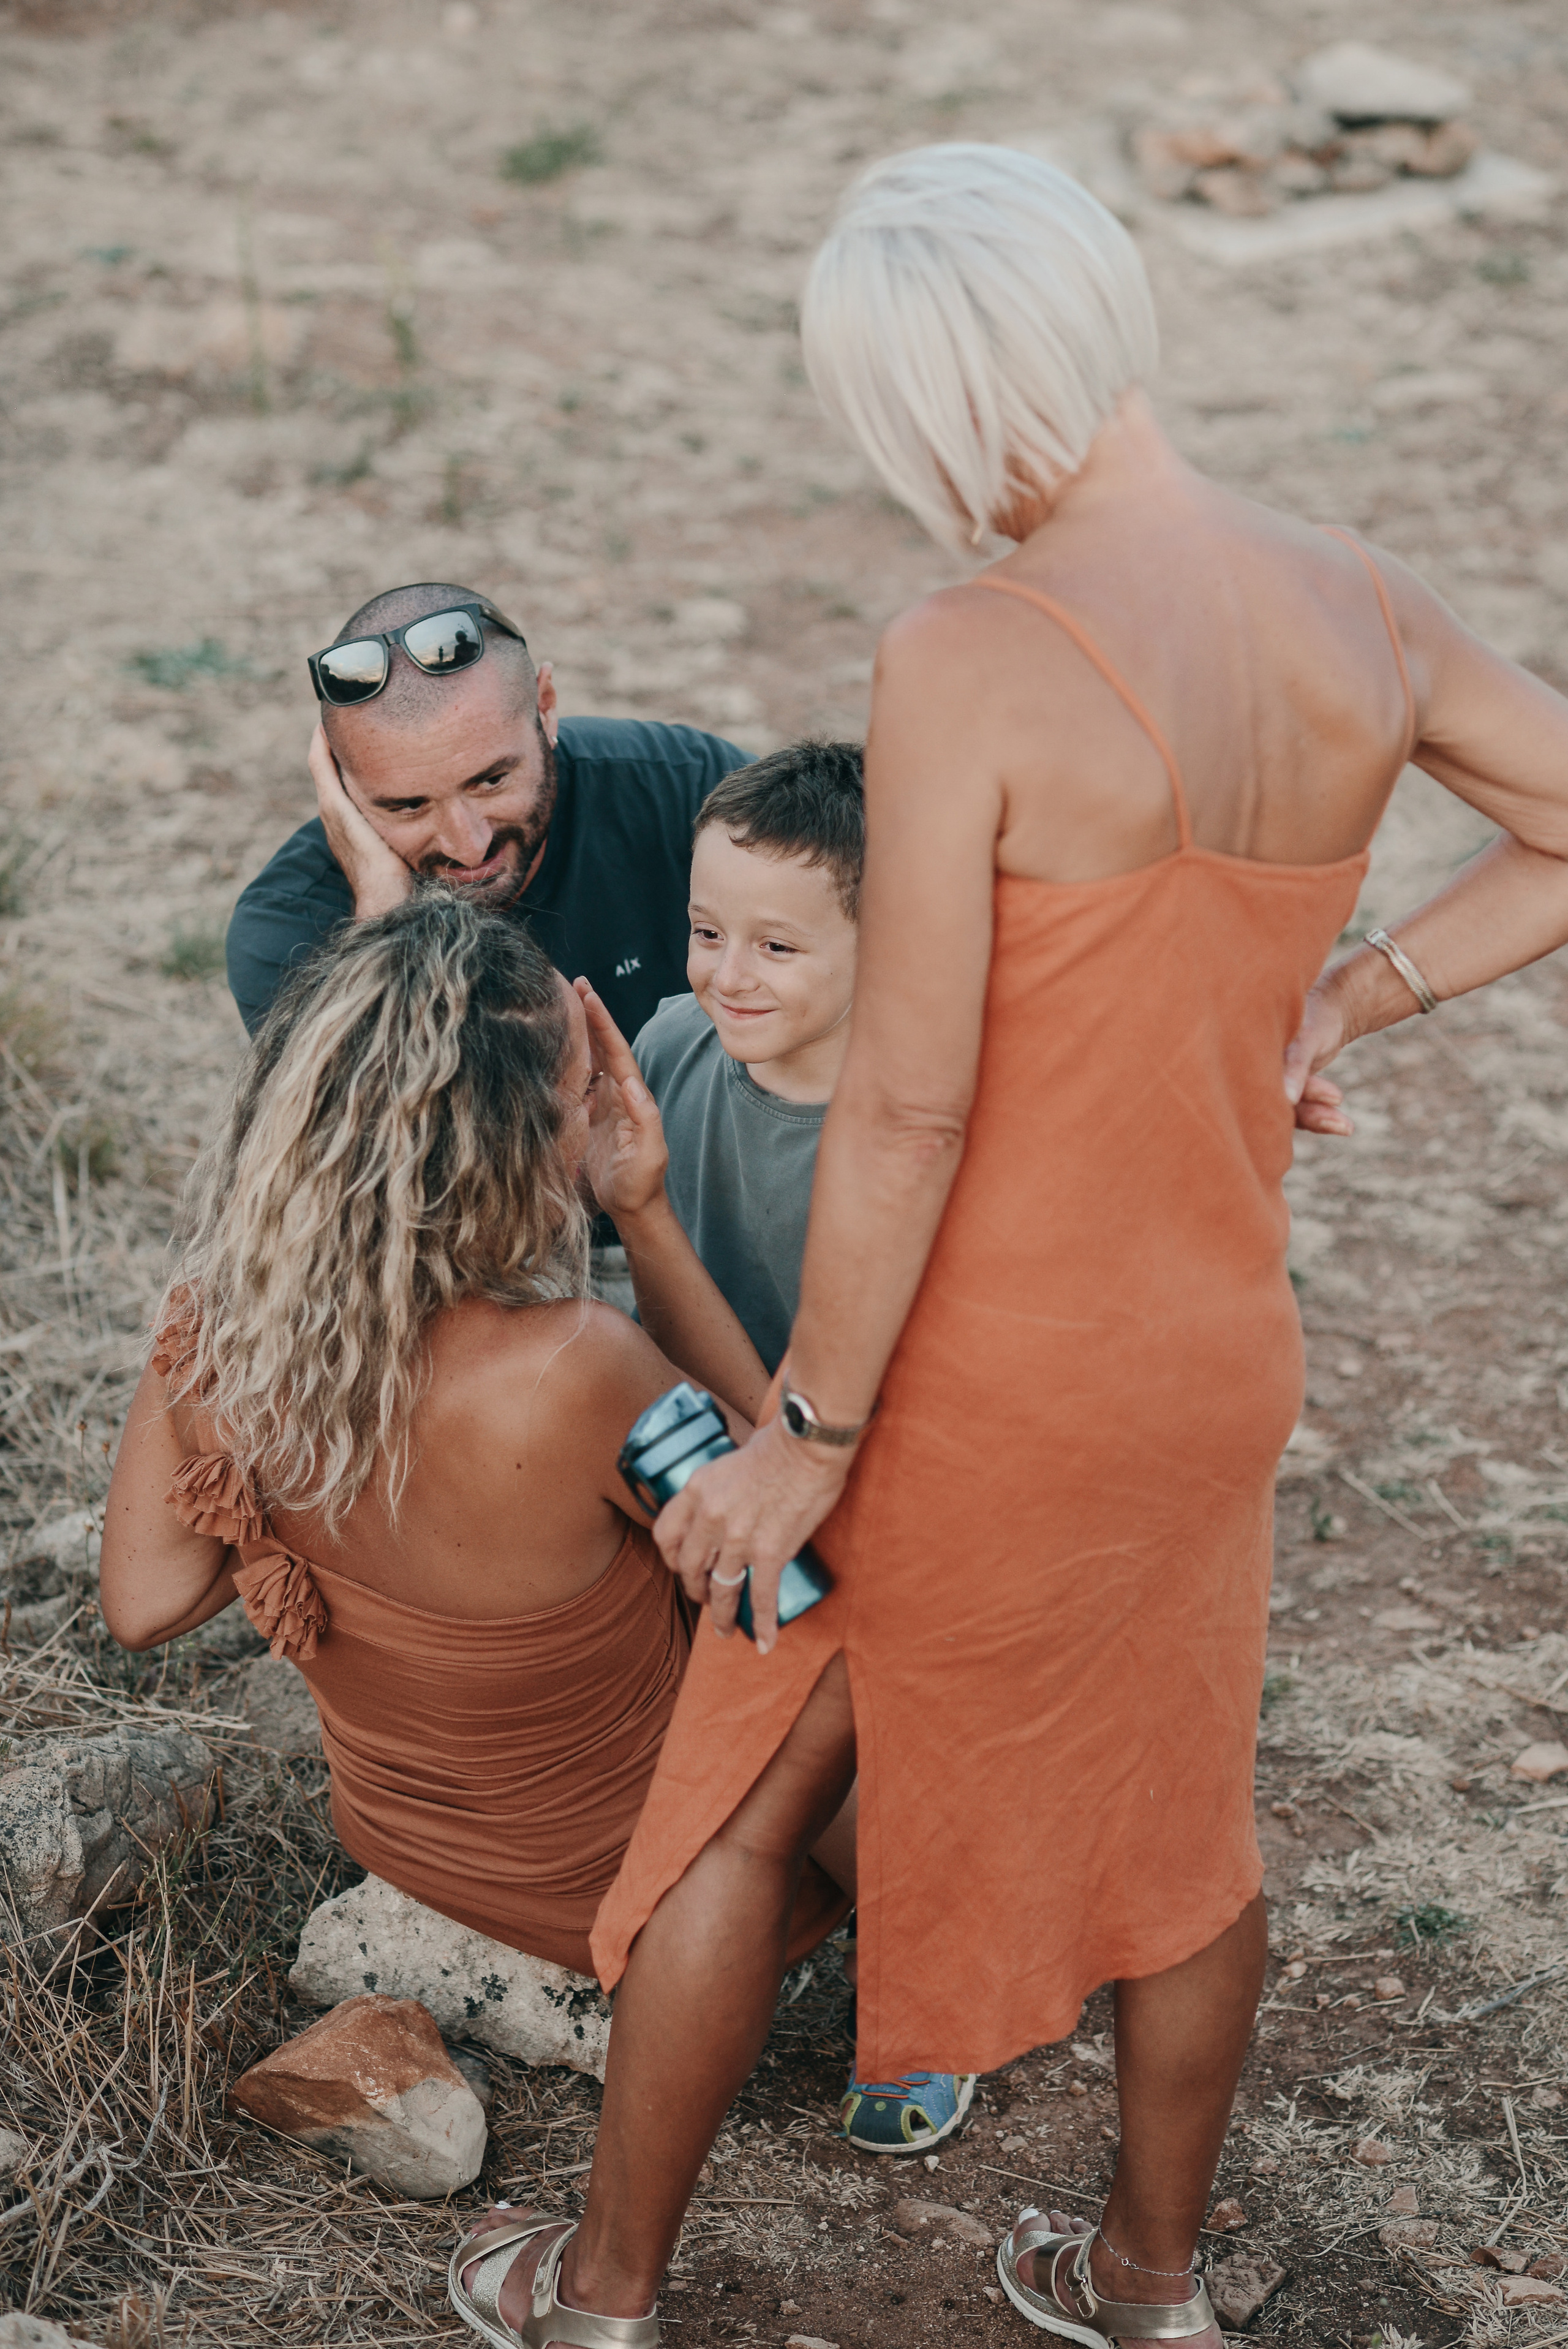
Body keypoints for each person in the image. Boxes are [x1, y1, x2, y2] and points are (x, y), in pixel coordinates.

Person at [448, 143, 1568, 2349]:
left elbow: (910, 1099)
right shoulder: (1352, 593)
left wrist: (813, 1428)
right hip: (1206, 1349)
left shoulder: (971, 647)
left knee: (732, 1805)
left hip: (973, 1367)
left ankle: (595, 2297)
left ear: (932, 397)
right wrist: (1344, 990)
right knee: (1182, 1825)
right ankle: (1148, 2292)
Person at [100, 893, 851, 1980]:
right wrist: (639, 1212)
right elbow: (784, 1552)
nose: (599, 1093)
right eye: (579, 1087)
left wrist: (328, 1509)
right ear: (514, 1139)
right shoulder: (573, 1366)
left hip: (414, 1848)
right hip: (638, 1882)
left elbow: (145, 1601)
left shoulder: (219, 1334)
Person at [591, 738, 975, 2152]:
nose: (724, 972)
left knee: (810, 1714)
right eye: (702, 930)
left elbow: (839, 1420)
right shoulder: (683, 1046)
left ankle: (931, 1975)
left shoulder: (913, 1141)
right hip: (724, 1447)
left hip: (875, 1487)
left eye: (775, 943)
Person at [224, 581, 748, 1043]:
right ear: (338, 783)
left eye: (492, 780)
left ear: (546, 706)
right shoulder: (289, 932)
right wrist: (386, 920)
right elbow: (399, 1140)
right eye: (408, 806)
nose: (467, 845)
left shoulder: (694, 789)